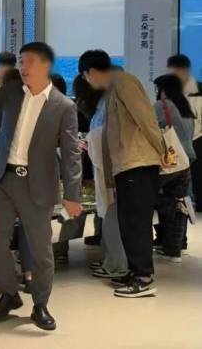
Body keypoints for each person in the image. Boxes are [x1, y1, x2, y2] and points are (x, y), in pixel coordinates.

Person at [0, 42, 82, 331]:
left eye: (28, 62)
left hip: (37, 183)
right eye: (21, 62)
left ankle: (40, 304)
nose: (22, 67)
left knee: (40, 249)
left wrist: (72, 195)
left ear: (44, 65)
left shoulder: (64, 106)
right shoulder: (13, 91)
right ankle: (8, 295)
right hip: (2, 178)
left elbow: (71, 153)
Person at [79, 49, 167, 298]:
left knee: (136, 223)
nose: (87, 82)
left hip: (138, 163)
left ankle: (143, 278)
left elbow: (145, 117)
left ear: (91, 72)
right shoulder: (111, 91)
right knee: (128, 222)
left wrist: (161, 150)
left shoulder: (124, 81)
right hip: (126, 165)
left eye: (85, 77)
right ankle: (135, 271)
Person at [74, 73, 128, 281]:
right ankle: (111, 260)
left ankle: (116, 264)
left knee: (111, 214)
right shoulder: (106, 105)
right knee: (109, 214)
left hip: (110, 170)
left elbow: (100, 138)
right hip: (109, 169)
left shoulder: (106, 106)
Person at [153, 74, 195, 263]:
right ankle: (176, 248)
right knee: (179, 202)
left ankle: (163, 241)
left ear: (164, 89)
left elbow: (148, 128)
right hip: (186, 160)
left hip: (168, 161)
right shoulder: (186, 107)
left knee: (155, 199)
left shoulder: (161, 106)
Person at [167, 54, 202, 209]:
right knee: (178, 177)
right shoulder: (169, 91)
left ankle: (198, 203)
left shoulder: (199, 89)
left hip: (197, 138)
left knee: (197, 174)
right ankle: (180, 204)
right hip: (175, 140)